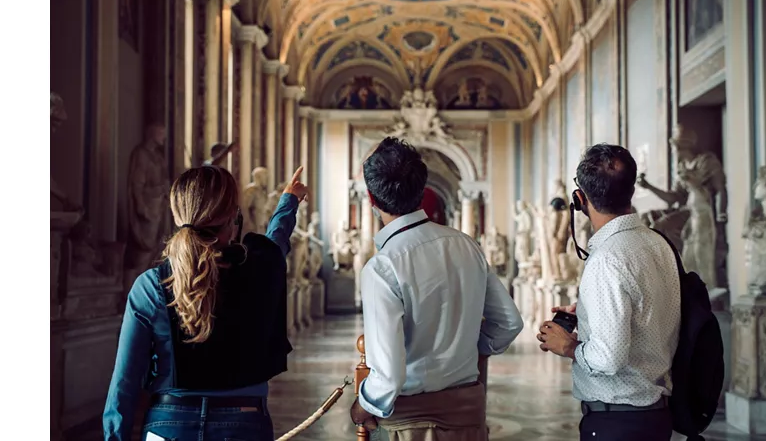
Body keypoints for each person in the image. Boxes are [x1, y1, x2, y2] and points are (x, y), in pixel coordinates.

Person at [103, 165, 309, 441]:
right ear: (231, 218)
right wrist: (289, 202)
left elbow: (124, 383)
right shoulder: (260, 268)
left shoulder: (152, 285)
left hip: (168, 424)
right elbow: (275, 245)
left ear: (177, 215)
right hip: (244, 423)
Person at [349, 137, 523, 440]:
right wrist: (463, 350)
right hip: (468, 412)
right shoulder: (466, 246)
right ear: (421, 190)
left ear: (371, 199)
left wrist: (362, 407)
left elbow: (388, 378)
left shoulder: (383, 267)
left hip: (413, 422)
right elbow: (509, 323)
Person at [536, 144, 681, 441]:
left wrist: (567, 346)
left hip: (618, 420)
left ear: (580, 199)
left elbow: (607, 359)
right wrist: (591, 311)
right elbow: (648, 307)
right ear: (630, 190)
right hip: (656, 414)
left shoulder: (607, 258)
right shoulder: (659, 244)